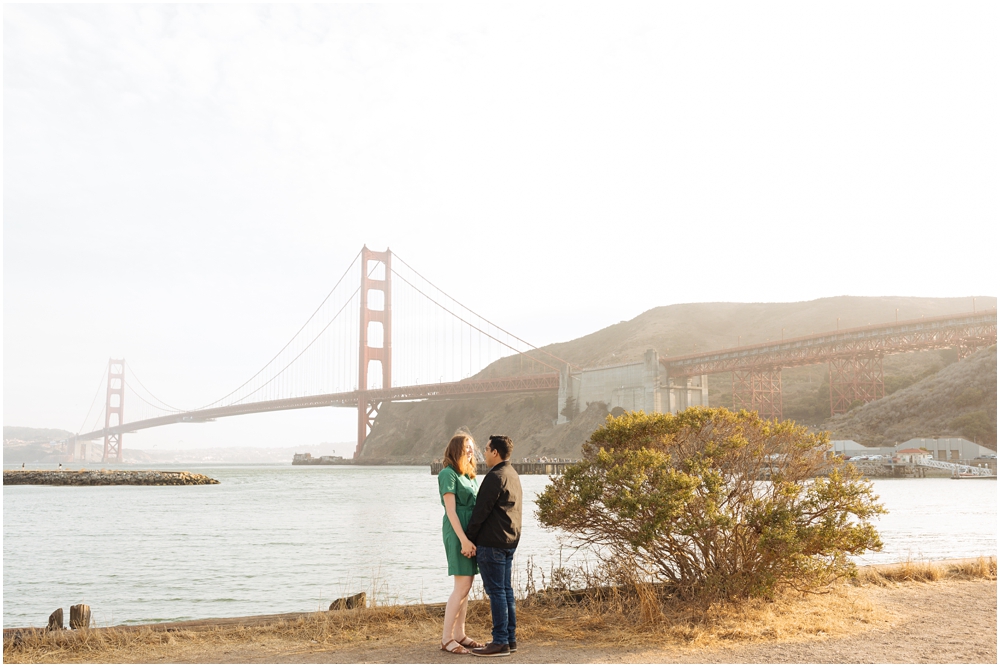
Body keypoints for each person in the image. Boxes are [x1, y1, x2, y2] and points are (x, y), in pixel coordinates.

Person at [466, 434, 522, 657]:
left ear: (495, 452)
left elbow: (481, 511)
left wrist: (468, 538)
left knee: (497, 592)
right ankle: (510, 639)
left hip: (492, 543)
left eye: (487, 449)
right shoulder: (513, 474)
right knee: (506, 591)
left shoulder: (495, 476)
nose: (484, 453)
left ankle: (499, 642)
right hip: (509, 540)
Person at [437, 434, 485, 655]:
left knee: (467, 586)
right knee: (462, 586)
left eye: (472, 447)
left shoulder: (470, 475)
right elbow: (451, 511)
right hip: (458, 533)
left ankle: (460, 634)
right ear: (456, 449)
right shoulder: (447, 474)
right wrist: (464, 540)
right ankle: (447, 639)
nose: (470, 451)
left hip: (470, 532)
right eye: (466, 447)